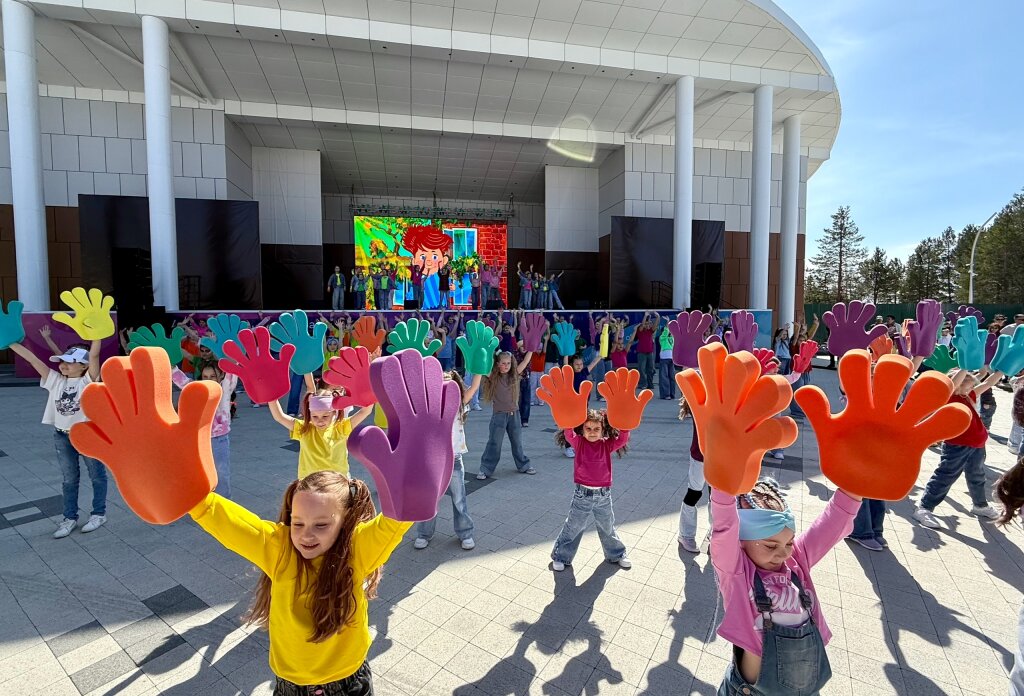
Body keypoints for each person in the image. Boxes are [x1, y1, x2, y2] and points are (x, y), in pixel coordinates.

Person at [193, 471, 408, 694]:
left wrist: (414, 481)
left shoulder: (357, 549)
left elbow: (398, 519)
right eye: (298, 523)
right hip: (290, 687)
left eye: (321, 525)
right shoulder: (279, 548)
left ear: (345, 521)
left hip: (347, 684)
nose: (306, 535)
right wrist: (191, 495)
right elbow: (224, 520)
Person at [712, 478, 862, 695]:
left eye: (789, 543)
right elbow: (724, 526)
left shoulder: (796, 563)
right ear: (741, 541)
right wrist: (724, 478)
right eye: (770, 546)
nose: (782, 553)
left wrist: (856, 484)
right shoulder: (736, 573)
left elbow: (834, 523)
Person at [10, 337, 108, 538]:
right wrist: (10, 342)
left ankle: (98, 514)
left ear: (84, 366)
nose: (63, 365)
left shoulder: (87, 381)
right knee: (69, 479)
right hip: (62, 436)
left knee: (97, 475)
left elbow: (95, 355)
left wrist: (97, 335)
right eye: (62, 361)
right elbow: (34, 360)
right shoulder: (55, 380)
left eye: (69, 362)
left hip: (87, 435)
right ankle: (69, 518)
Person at [913, 368, 1003, 528]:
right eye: (968, 384)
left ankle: (980, 505)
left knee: (977, 476)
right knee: (945, 476)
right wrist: (965, 366)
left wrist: (1002, 370)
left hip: (977, 445)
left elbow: (988, 382)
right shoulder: (949, 396)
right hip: (957, 445)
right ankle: (924, 508)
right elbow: (953, 384)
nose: (971, 387)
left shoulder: (968, 395)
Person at [550, 410, 632, 571]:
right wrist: (567, 419)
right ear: (582, 429)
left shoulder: (607, 444)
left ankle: (617, 554)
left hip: (604, 495)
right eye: (588, 428)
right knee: (573, 527)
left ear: (603, 430)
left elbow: (623, 439)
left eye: (596, 429)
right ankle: (561, 556)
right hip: (582, 495)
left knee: (607, 527)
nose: (592, 432)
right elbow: (568, 434)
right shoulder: (579, 442)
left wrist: (625, 424)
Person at [413, 372, 482, 551]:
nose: (445, 389)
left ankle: (465, 533)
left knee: (459, 498)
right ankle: (424, 533)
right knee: (429, 498)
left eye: (449, 385)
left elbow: (474, 386)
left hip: (454, 458)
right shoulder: (430, 407)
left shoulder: (459, 404)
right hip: (432, 460)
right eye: (441, 385)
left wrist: (479, 366)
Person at [268, 384, 374, 479]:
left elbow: (365, 411)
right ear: (310, 414)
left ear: (334, 413)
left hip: (336, 483)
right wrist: (270, 395)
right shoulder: (304, 428)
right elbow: (279, 417)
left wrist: (370, 388)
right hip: (310, 483)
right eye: (315, 416)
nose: (320, 421)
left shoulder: (341, 427)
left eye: (325, 416)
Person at [172, 360, 237, 498]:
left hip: (219, 439)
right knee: (200, 474)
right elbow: (182, 381)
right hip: (199, 439)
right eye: (205, 376)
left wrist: (233, 358)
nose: (208, 379)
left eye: (212, 376)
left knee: (221, 473)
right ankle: (204, 502)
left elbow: (231, 373)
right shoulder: (198, 390)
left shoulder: (224, 389)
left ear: (220, 376)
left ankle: (225, 502)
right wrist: (172, 367)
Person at [477, 350, 536, 479]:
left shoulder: (514, 375)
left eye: (508, 363)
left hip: (514, 415)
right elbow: (481, 368)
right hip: (499, 416)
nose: (506, 366)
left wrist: (531, 348)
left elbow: (525, 361)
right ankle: (485, 469)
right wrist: (482, 352)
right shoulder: (493, 376)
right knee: (494, 443)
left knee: (517, 442)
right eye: (503, 363)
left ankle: (523, 465)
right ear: (498, 364)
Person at [677, 396, 706, 554]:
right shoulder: (699, 401)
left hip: (721, 457)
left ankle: (716, 534)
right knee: (694, 494)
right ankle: (686, 535)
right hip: (700, 456)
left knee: (717, 497)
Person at [634, 312, 657, 390]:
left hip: (650, 353)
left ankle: (650, 384)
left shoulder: (650, 331)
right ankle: (642, 384)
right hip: (641, 353)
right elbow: (642, 325)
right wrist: (645, 316)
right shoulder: (640, 331)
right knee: (641, 369)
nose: (647, 325)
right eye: (646, 324)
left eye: (648, 324)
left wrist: (658, 317)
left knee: (650, 369)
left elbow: (655, 325)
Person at [657, 321, 676, 400]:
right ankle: (666, 394)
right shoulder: (662, 338)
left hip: (671, 359)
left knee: (671, 377)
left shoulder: (672, 338)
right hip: (664, 359)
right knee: (664, 377)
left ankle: (672, 394)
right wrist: (667, 324)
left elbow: (673, 333)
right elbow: (665, 332)